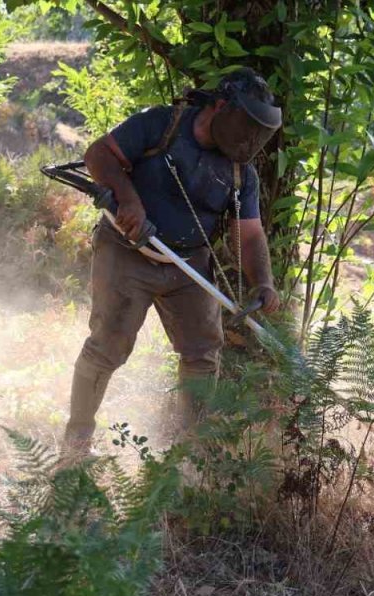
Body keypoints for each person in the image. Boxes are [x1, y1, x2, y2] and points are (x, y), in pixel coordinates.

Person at [61, 68, 283, 458]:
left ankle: (193, 454)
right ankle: (76, 442)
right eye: (245, 125)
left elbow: (249, 234)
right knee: (107, 346)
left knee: (202, 353)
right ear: (219, 107)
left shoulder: (239, 173)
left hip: (188, 264)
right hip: (125, 252)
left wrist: (262, 282)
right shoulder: (160, 124)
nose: (249, 139)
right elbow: (99, 154)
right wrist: (128, 199)